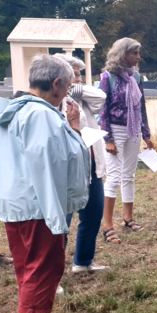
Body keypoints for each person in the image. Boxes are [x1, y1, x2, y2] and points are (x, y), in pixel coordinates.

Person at [0, 55, 90, 313]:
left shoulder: (13, 109)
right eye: (70, 86)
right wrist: (55, 213)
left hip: (18, 200)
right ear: (57, 84)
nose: (69, 94)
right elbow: (49, 163)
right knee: (42, 264)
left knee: (27, 263)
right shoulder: (42, 115)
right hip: (38, 204)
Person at [53, 55, 109, 273]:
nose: (79, 79)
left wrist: (75, 89)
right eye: (74, 75)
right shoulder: (54, 102)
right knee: (62, 224)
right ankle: (53, 272)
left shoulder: (79, 98)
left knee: (94, 214)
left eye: (79, 74)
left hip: (91, 167)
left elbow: (101, 97)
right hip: (68, 172)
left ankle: (83, 262)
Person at [99, 38, 154, 244]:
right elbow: (103, 109)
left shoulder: (136, 76)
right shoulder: (108, 77)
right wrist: (108, 138)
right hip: (115, 130)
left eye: (138, 53)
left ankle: (128, 218)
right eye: (135, 53)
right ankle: (108, 226)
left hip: (133, 130)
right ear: (123, 55)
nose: (139, 57)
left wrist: (146, 134)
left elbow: (141, 106)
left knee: (129, 176)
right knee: (113, 177)